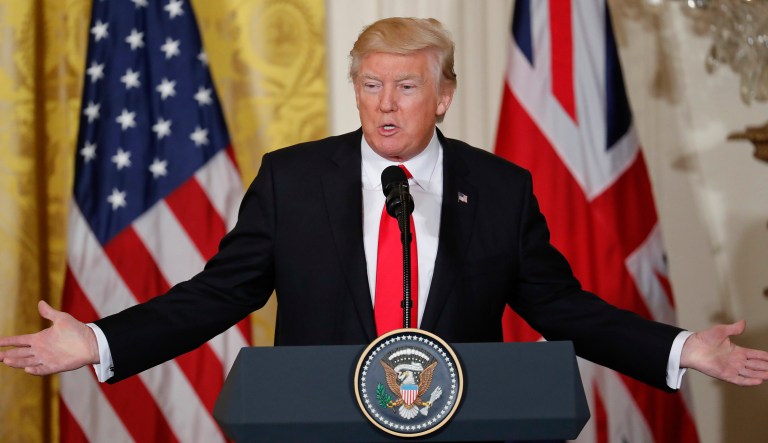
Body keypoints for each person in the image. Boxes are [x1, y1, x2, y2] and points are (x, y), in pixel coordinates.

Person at [1, 17, 767, 391]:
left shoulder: (499, 189)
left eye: (406, 86)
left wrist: (678, 348)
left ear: (445, 96)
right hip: (319, 428)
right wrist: (100, 341)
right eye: (371, 84)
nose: (385, 103)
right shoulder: (294, 180)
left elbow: (562, 306)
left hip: (462, 428)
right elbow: (216, 295)